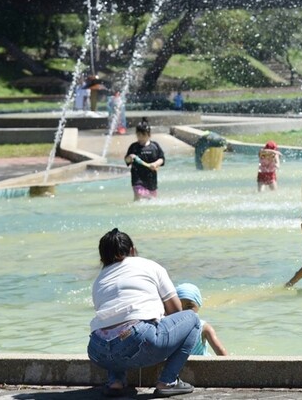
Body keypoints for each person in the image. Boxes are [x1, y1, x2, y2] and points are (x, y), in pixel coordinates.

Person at [87, 228, 199, 397]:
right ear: (132, 250)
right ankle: (167, 381)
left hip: (97, 350)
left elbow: (110, 320)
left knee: (114, 327)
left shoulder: (99, 281)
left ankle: (115, 382)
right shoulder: (149, 266)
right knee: (192, 319)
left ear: (102, 257)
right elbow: (176, 311)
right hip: (138, 339)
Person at [175, 283, 228, 356]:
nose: (184, 311)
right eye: (180, 307)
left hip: (202, 363)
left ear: (198, 305)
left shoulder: (204, 328)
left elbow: (220, 351)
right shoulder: (170, 329)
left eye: (189, 306)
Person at [124, 118, 165, 200]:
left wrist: (155, 164)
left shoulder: (154, 146)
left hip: (151, 178)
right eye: (139, 135)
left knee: (152, 199)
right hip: (137, 178)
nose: (141, 138)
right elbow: (126, 160)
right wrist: (130, 157)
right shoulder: (134, 147)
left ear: (149, 135)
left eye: (143, 135)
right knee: (139, 194)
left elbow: (162, 159)